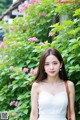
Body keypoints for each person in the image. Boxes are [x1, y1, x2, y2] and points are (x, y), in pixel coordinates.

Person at [30, 48, 76, 120]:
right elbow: (34, 114)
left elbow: (72, 113)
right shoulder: (37, 86)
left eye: (55, 63)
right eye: (47, 64)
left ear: (60, 64)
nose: (51, 67)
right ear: (43, 67)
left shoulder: (69, 85)